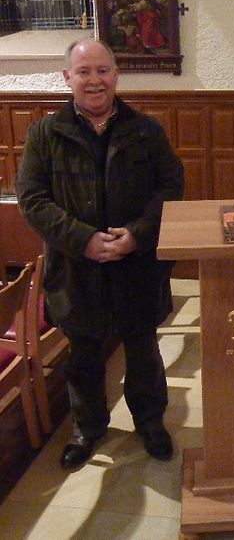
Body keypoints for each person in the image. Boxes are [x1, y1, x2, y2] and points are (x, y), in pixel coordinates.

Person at [15, 38, 184, 468]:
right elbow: (32, 199)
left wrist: (137, 235)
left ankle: (150, 422)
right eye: (84, 72)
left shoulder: (146, 131)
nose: (95, 81)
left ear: (116, 74)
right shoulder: (44, 135)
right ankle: (87, 428)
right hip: (76, 270)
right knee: (84, 356)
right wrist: (83, 239)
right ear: (67, 77)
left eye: (103, 70)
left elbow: (171, 187)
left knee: (143, 351)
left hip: (136, 266)